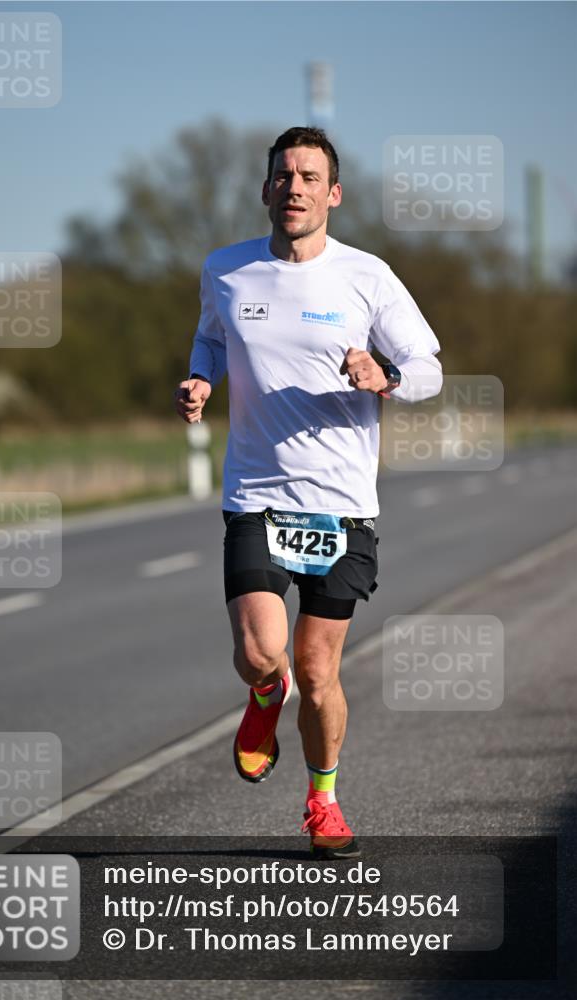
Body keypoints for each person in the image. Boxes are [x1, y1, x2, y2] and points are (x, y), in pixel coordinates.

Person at [174, 126, 442, 859]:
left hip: (341, 504)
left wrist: (385, 377)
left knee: (319, 672)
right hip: (256, 493)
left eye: (308, 177)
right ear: (265, 190)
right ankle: (264, 698)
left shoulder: (367, 276)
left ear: (332, 194)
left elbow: (428, 367)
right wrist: (202, 377)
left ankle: (322, 799)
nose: (294, 187)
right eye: (282, 175)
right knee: (264, 656)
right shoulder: (226, 270)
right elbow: (212, 338)